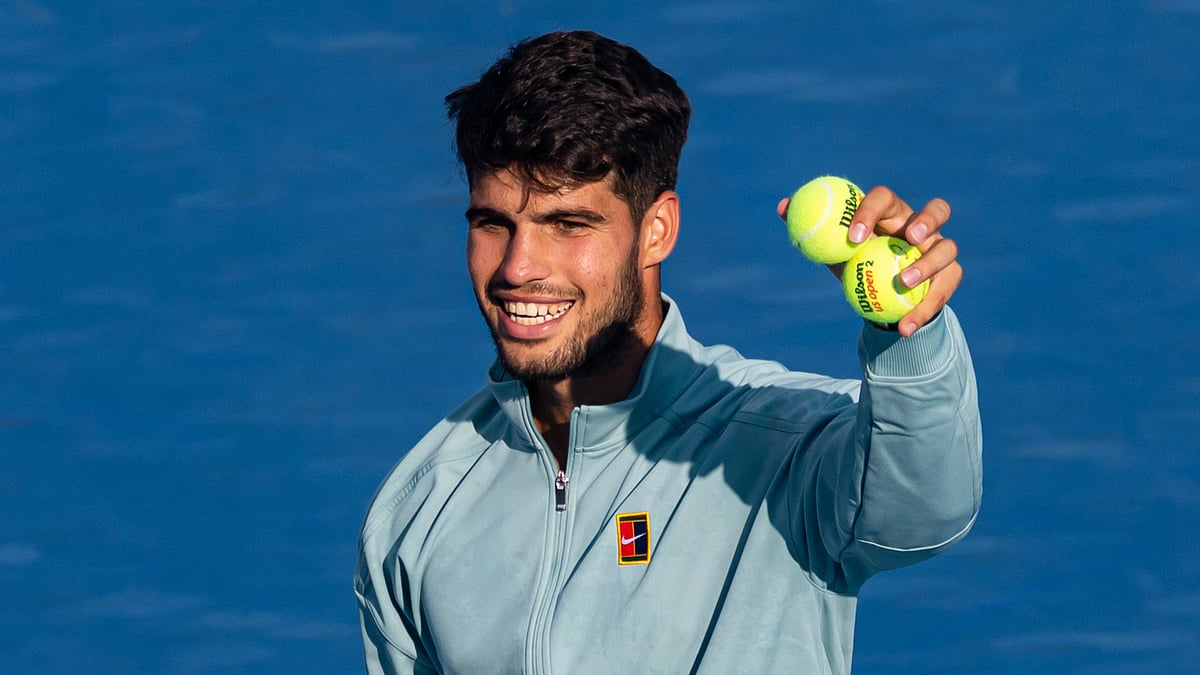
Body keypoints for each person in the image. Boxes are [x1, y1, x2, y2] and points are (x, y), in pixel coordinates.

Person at [355, 29, 981, 674]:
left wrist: (908, 330)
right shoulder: (419, 505)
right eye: (494, 224)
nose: (517, 267)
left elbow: (919, 515)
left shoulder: (783, 446)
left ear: (656, 231)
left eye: (568, 225)